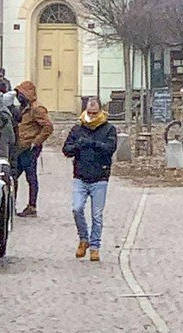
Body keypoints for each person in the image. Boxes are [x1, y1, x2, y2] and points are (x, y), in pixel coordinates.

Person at [63, 96, 118, 262]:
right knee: (77, 209)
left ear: (101, 111)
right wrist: (77, 146)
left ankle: (95, 247)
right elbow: (66, 150)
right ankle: (83, 239)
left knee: (97, 215)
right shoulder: (77, 128)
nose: (92, 116)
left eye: (95, 113)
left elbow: (110, 148)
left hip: (100, 177)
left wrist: (94, 144)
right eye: (89, 112)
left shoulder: (108, 129)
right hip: (80, 176)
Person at [14, 80, 53, 216]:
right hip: (21, 147)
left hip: (29, 149)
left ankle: (32, 206)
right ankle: (12, 205)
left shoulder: (37, 108)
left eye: (20, 93)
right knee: (14, 176)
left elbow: (48, 126)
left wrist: (36, 142)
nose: (18, 96)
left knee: (30, 177)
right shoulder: (25, 108)